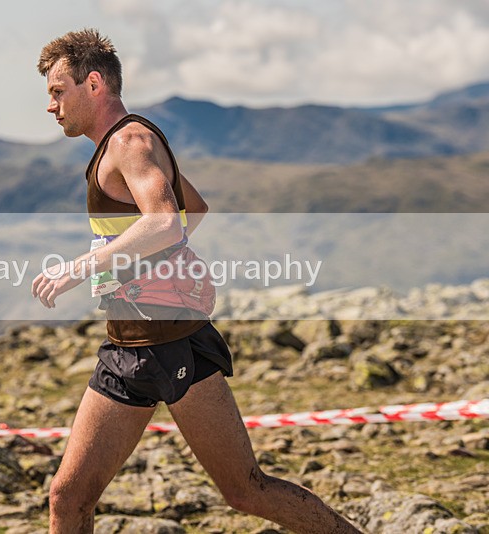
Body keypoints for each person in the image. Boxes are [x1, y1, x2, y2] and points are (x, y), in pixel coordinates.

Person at [32, 29, 360, 533]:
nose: (51, 106)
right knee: (70, 497)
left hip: (166, 344)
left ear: (93, 83)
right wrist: (141, 267)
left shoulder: (129, 142)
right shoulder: (128, 143)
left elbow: (165, 220)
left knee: (244, 490)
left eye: (58, 91)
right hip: (140, 345)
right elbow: (193, 210)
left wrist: (81, 267)